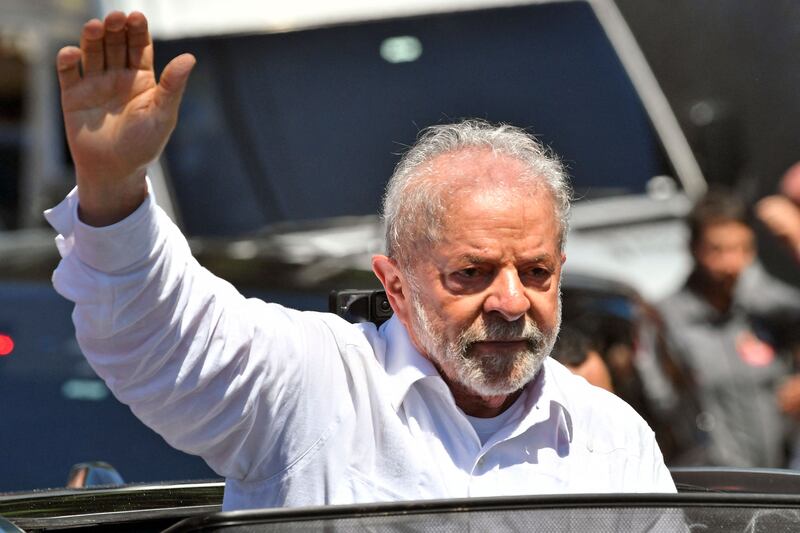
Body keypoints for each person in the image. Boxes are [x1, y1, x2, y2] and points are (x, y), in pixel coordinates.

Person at [47, 12, 675, 510]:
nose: (511, 302)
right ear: (395, 288)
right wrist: (115, 188)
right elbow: (157, 335)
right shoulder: (313, 385)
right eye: (471, 274)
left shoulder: (610, 439)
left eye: (536, 273)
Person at [658, 190, 800, 468]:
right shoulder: (666, 321)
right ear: (693, 248)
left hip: (780, 483)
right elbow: (660, 407)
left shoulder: (770, 309)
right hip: (712, 489)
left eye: (742, 249)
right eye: (717, 250)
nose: (731, 264)